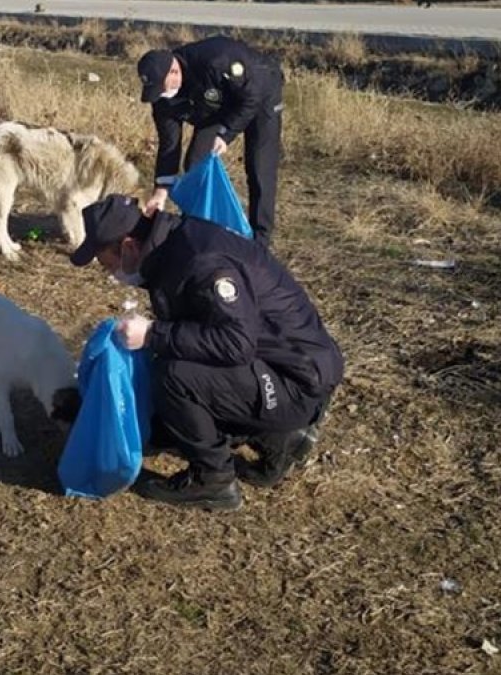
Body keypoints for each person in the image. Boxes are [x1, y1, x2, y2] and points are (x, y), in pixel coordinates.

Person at [69, 194, 344, 511]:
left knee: (173, 376)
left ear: (129, 247)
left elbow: (236, 343)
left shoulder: (202, 263)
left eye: (108, 263)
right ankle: (280, 438)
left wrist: (153, 333)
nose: (110, 274)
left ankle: (213, 479)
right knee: (173, 363)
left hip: (297, 380)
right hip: (287, 367)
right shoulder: (172, 245)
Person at [137, 37, 285, 247]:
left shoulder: (215, 60)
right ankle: (203, 226)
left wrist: (226, 134)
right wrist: (160, 192)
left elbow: (251, 98)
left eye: (163, 88)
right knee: (197, 164)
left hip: (260, 90)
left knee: (259, 166)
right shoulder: (162, 100)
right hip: (217, 106)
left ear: (174, 72)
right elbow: (169, 145)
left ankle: (260, 241)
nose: (163, 95)